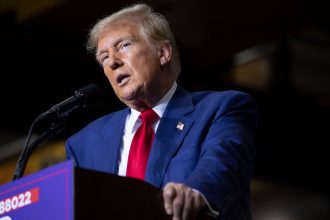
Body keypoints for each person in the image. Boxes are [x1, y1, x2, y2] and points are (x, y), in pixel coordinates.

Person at [65, 3, 258, 220]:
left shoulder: (220, 109)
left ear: (163, 53)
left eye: (124, 45)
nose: (113, 63)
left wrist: (195, 194)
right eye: (104, 58)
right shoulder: (83, 144)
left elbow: (222, 165)